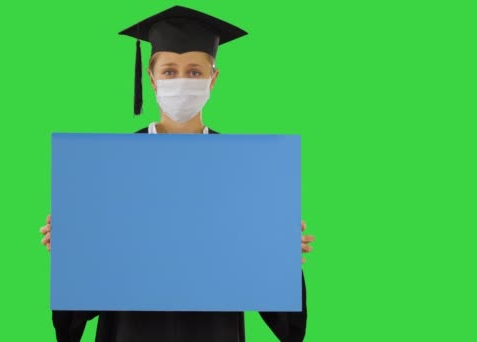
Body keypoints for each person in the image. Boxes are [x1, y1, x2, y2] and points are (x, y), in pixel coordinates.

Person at [39, 5, 315, 342]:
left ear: (213, 78)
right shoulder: (107, 167)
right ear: (152, 79)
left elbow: (277, 310)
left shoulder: (246, 169)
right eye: (170, 71)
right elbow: (86, 292)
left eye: (195, 72)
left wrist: (281, 257)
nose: (182, 81)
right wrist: (73, 250)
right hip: (130, 331)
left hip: (214, 330)